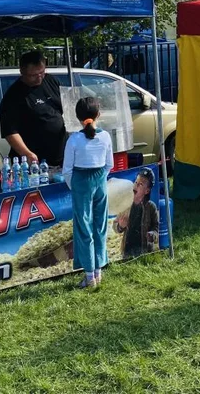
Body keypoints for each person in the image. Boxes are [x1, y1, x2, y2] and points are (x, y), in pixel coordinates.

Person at [62, 97, 114, 289]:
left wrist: (74, 185)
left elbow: (67, 170)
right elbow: (110, 164)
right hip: (100, 179)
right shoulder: (106, 136)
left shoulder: (74, 139)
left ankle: (89, 275)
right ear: (98, 115)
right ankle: (98, 271)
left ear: (77, 118)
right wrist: (101, 178)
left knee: (83, 228)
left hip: (81, 182)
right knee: (99, 226)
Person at [0, 50, 67, 165]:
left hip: (60, 155)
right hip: (34, 160)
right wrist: (27, 153)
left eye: (42, 72)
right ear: (22, 71)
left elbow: (65, 108)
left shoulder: (51, 81)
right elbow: (10, 132)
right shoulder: (13, 96)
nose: (39, 77)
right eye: (33, 75)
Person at [113, 167, 160, 260]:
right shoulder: (125, 204)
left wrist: (152, 234)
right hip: (126, 252)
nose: (136, 185)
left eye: (141, 184)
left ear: (147, 191)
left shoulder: (151, 207)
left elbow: (156, 227)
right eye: (136, 182)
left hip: (144, 252)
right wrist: (120, 226)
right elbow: (115, 226)